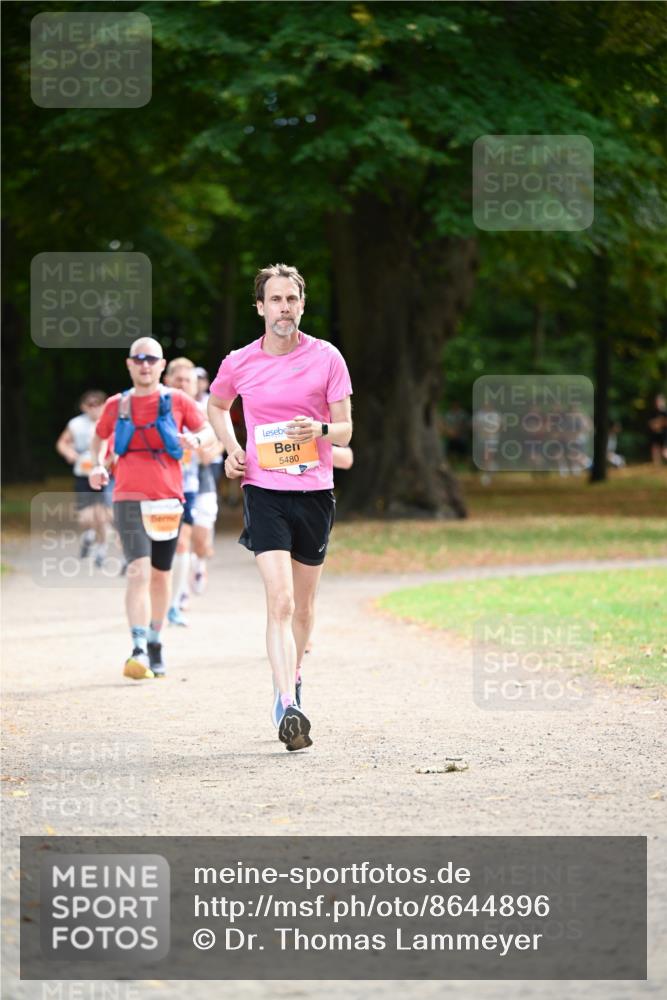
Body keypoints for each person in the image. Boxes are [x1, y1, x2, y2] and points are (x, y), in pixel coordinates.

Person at [208, 263, 353, 752]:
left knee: (305, 607)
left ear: (302, 305)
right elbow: (216, 405)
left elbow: (347, 430)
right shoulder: (240, 361)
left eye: (291, 299)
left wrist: (320, 432)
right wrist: (232, 447)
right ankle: (287, 703)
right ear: (260, 307)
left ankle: (293, 673)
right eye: (275, 300)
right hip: (263, 489)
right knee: (281, 600)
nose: (283, 308)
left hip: (314, 492)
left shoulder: (327, 357)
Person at [88, 337, 214, 680]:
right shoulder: (118, 404)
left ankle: (157, 640)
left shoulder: (177, 400)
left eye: (151, 359)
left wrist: (196, 440)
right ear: (129, 364)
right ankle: (138, 646)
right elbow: (99, 438)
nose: (145, 364)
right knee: (138, 572)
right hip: (127, 497)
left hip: (168, 500)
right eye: (138, 359)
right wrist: (98, 464)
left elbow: (208, 431)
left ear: (161, 365)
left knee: (160, 575)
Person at [55, 390, 113, 565]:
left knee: (102, 515)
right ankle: (90, 535)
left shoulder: (111, 423)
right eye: (90, 404)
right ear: (83, 407)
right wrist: (70, 453)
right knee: (86, 517)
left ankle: (101, 549)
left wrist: (107, 463)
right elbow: (62, 443)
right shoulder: (76, 424)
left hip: (104, 473)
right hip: (83, 474)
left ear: (104, 405)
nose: (94, 408)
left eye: (98, 404)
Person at [163, 359, 199, 626]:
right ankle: (157, 599)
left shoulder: (201, 410)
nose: (182, 384)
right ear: (167, 380)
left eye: (187, 380)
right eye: (178, 380)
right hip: (159, 485)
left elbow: (214, 447)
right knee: (160, 546)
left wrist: (201, 444)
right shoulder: (159, 406)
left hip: (188, 487)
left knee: (183, 542)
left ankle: (174, 604)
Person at [648, 393, 667, 466]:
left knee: (664, 452)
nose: (657, 403)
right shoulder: (653, 412)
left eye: (659, 401)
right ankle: (657, 466)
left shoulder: (665, 411)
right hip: (656, 434)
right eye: (656, 401)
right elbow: (650, 423)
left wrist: (659, 424)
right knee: (655, 449)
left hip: (664, 434)